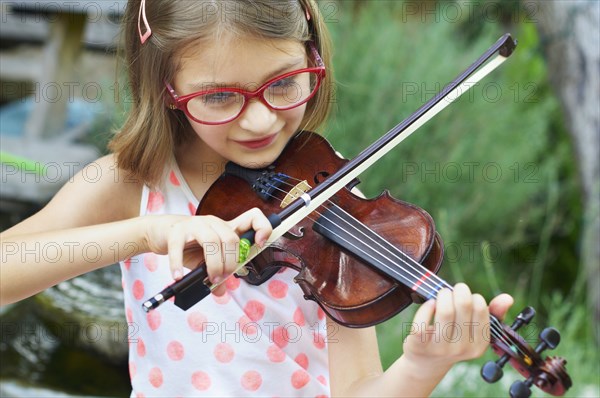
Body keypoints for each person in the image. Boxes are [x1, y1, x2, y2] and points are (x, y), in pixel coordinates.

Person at [0, 1, 513, 396]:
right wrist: (146, 234)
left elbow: (357, 388)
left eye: (285, 83)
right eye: (221, 96)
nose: (261, 119)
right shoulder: (132, 184)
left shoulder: (325, 190)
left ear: (313, 57)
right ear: (164, 88)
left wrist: (423, 365)